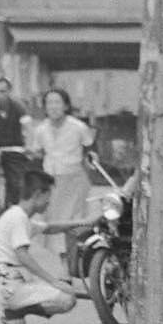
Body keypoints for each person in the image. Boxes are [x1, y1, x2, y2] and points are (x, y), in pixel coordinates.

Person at [0, 166, 79, 324]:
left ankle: (14, 314)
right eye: (47, 197)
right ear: (37, 195)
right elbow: (23, 255)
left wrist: (82, 222)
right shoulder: (18, 218)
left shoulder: (18, 216)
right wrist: (53, 281)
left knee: (63, 288)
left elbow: (50, 228)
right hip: (10, 285)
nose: (48, 203)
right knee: (67, 299)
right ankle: (14, 312)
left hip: (8, 283)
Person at [31, 87, 96, 229]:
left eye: (57, 102)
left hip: (73, 181)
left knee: (72, 222)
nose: (53, 107)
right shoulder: (41, 130)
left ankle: (71, 250)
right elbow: (37, 153)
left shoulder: (78, 127)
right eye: (49, 103)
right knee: (52, 223)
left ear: (66, 106)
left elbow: (90, 148)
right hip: (50, 181)